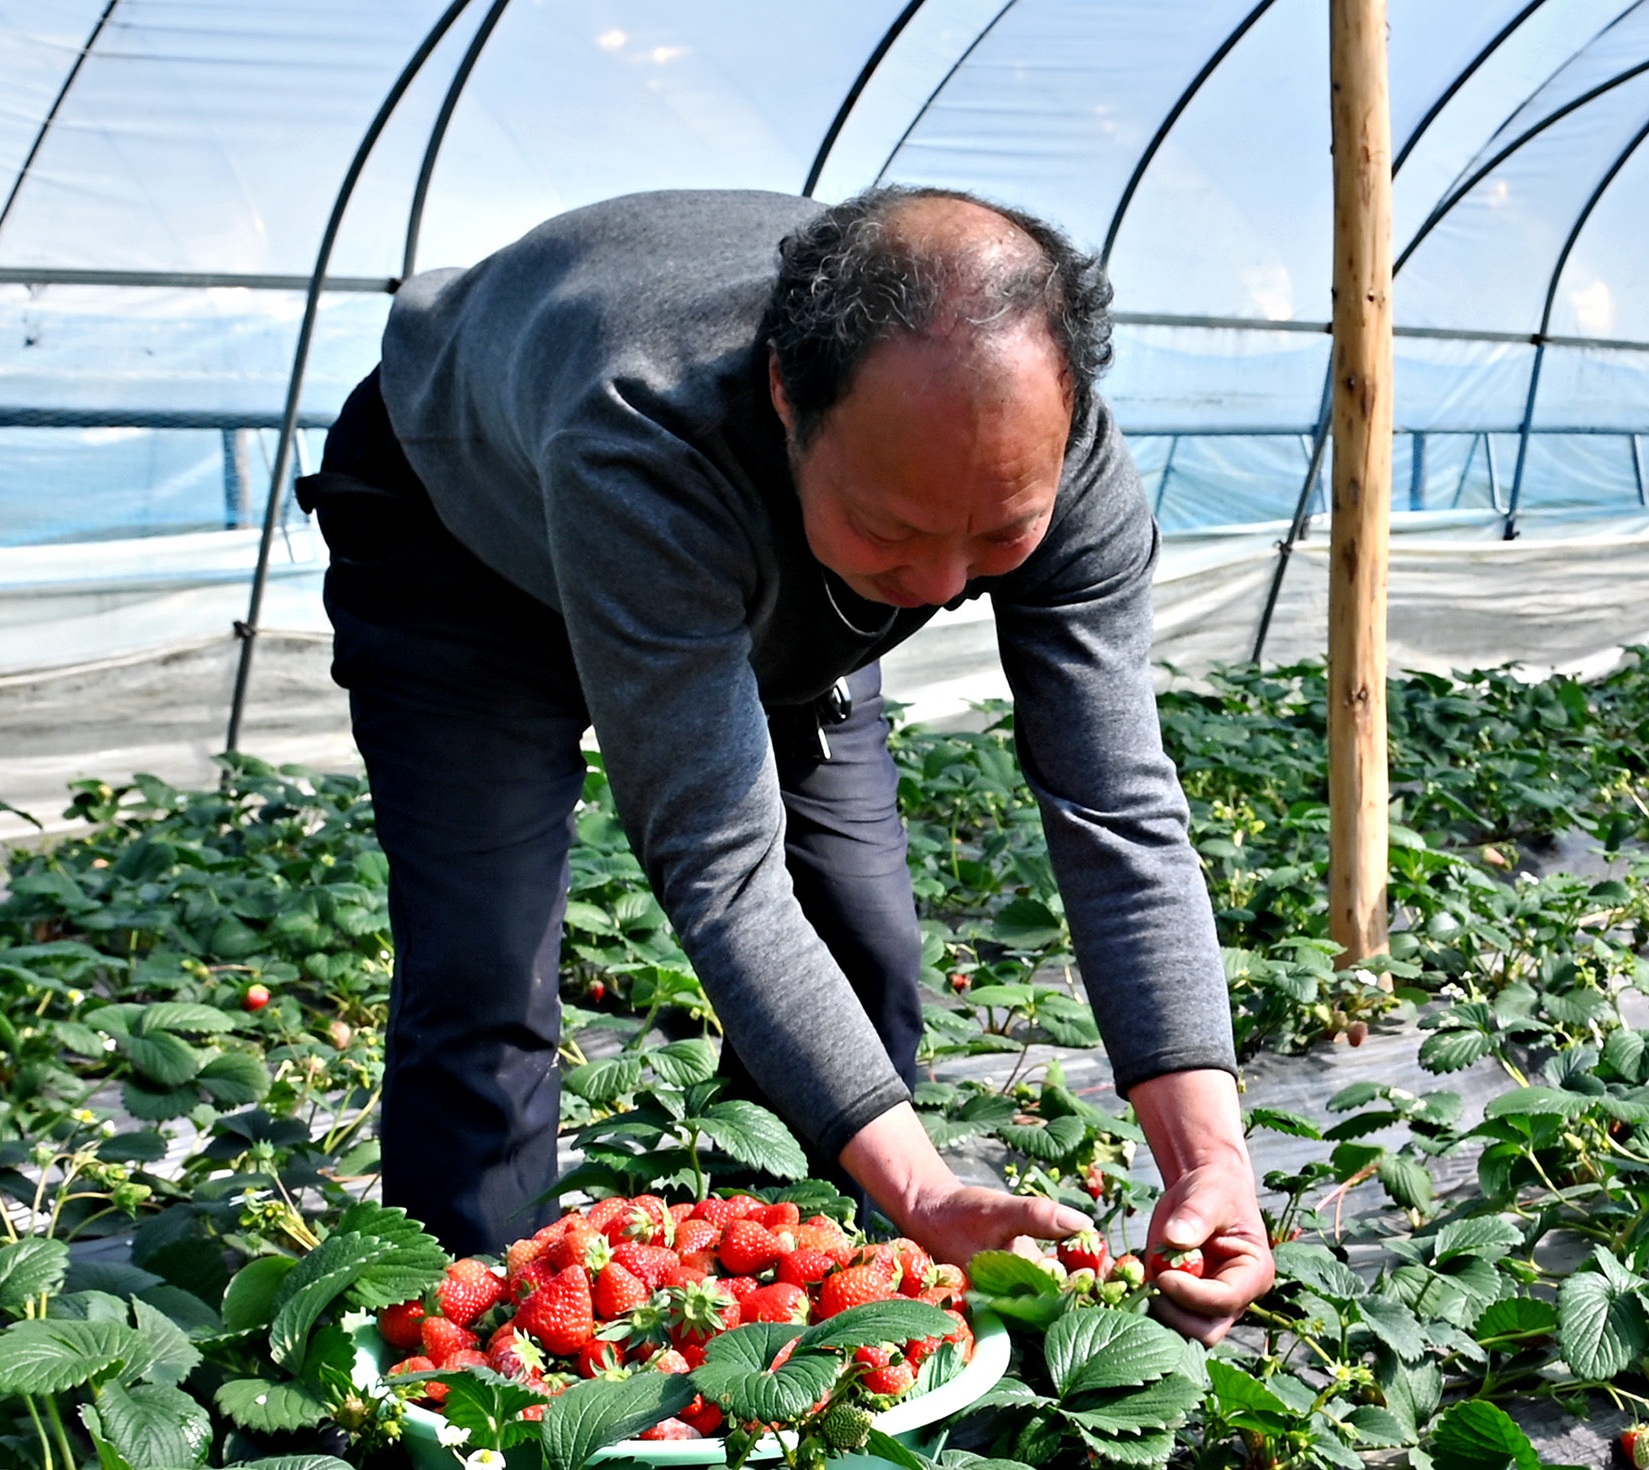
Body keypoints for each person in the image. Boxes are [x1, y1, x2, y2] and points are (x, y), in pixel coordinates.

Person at [299, 185, 1271, 1337]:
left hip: (773, 552)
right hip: (463, 538)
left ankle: (774, 1328)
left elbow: (1115, 805)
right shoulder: (644, 427)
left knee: (863, 942)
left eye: (998, 532)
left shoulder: (1035, 464)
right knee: (486, 971)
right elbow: (723, 869)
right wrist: (923, 1188)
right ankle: (475, 1372)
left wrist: (1208, 1155)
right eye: (897, 531)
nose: (942, 589)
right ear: (786, 399)